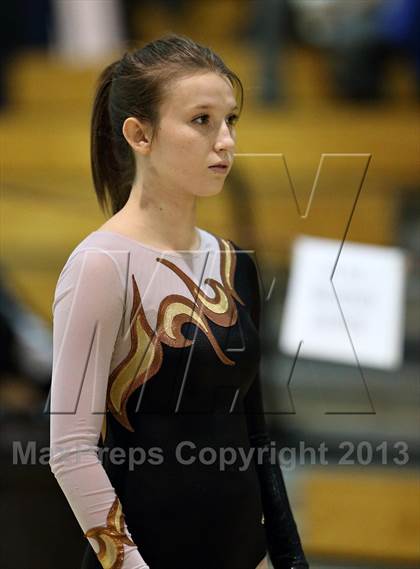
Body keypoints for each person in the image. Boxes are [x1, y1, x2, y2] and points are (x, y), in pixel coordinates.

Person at [48, 33, 309, 569]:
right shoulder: (102, 266)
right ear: (139, 134)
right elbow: (70, 451)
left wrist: (288, 557)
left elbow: (255, 434)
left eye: (230, 120)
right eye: (201, 120)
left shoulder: (237, 263)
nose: (226, 141)